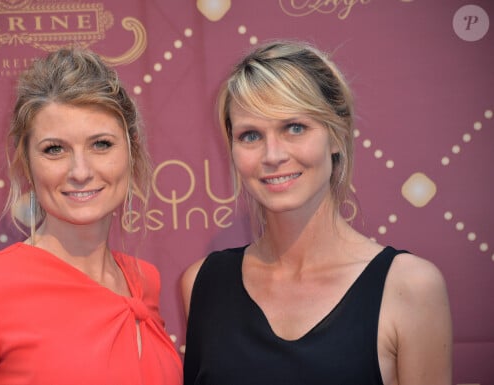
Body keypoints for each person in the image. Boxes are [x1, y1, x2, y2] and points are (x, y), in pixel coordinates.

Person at [181, 40, 452, 385]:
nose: (272, 155)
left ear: (337, 135)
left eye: (294, 127)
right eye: (250, 135)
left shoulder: (410, 287)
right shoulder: (203, 284)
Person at [0, 47, 182, 385]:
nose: (80, 171)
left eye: (101, 144)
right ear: (26, 164)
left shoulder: (144, 281)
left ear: (131, 152)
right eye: (54, 149)